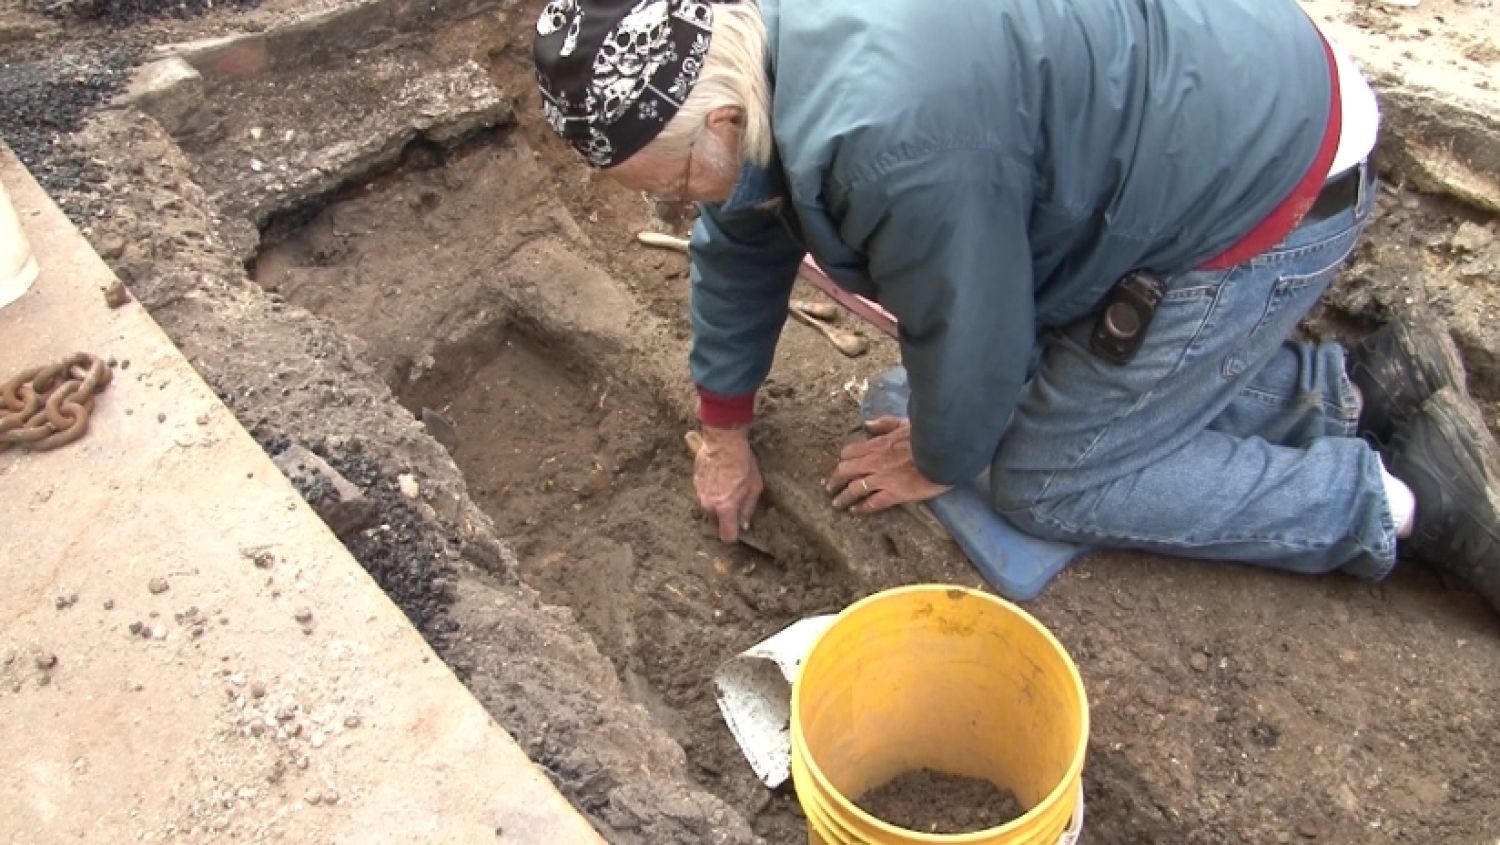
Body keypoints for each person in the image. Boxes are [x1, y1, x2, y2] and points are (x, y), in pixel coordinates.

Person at [532, 0, 1500, 611]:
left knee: (1046, 478)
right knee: (1039, 387)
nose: (682, 205)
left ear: (725, 117)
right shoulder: (761, 43)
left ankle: (1395, 502)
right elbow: (741, 231)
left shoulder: (889, 142)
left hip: (1268, 197)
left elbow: (976, 328)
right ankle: (1357, 391)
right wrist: (723, 425)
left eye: (679, 182)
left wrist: (940, 454)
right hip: (1233, 108)